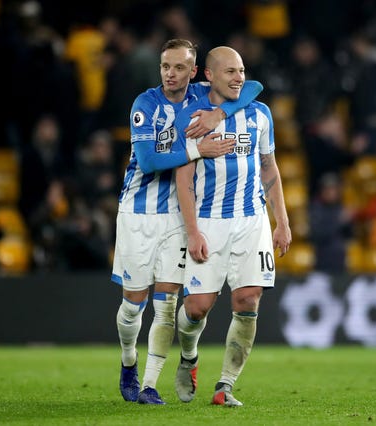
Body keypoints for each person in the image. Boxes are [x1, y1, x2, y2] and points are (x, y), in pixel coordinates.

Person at [111, 39, 264, 405]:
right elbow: (147, 162)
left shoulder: (200, 99)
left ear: (194, 72)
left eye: (179, 67)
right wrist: (198, 149)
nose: (171, 73)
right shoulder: (145, 104)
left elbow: (254, 88)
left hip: (180, 217)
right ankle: (129, 360)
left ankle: (148, 385)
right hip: (137, 213)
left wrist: (220, 115)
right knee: (133, 305)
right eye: (166, 66)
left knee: (166, 306)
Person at [173, 46, 291, 407]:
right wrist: (192, 232)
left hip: (251, 219)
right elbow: (184, 178)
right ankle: (189, 356)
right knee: (197, 307)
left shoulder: (259, 114)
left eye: (241, 70)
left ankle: (225, 386)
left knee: (247, 298)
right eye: (230, 72)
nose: (239, 77)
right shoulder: (193, 115)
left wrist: (281, 221)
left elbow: (269, 167)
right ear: (209, 75)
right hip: (209, 222)